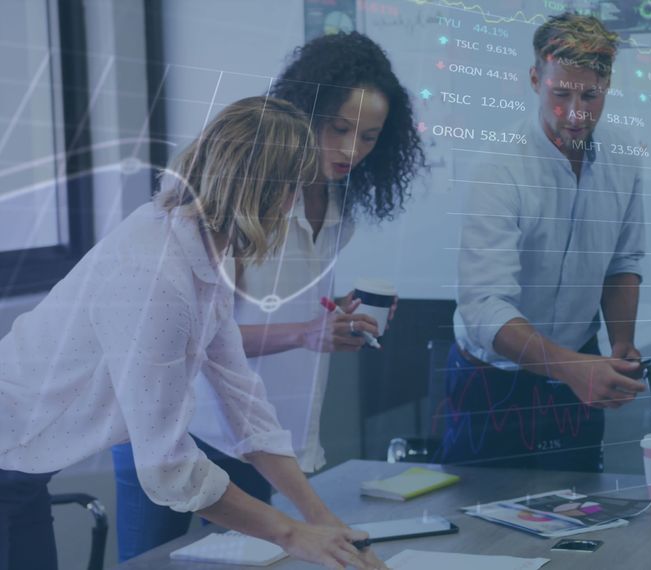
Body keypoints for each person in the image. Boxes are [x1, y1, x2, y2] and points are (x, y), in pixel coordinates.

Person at [0, 97, 385, 569]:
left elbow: (245, 405)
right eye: (293, 190)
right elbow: (167, 469)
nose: (293, 207)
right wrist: (292, 535)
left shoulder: (201, 252)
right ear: (271, 192)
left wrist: (324, 523)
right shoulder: (156, 276)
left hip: (21, 469)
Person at [111, 33, 424, 561]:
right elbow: (207, 339)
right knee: (153, 564)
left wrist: (329, 318)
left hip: (261, 439)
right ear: (303, 115)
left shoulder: (341, 207)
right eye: (340, 128)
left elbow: (278, 306)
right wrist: (305, 334)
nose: (352, 149)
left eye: (370, 136)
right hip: (186, 425)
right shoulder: (240, 202)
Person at [438, 12, 646, 472]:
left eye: (590, 95)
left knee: (585, 520)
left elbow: (622, 261)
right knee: (478, 527)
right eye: (561, 94)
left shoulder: (624, 156)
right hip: (494, 378)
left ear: (607, 85)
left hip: (581, 364)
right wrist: (572, 368)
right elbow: (484, 307)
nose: (575, 113)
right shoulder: (498, 169)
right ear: (536, 79)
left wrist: (622, 345)